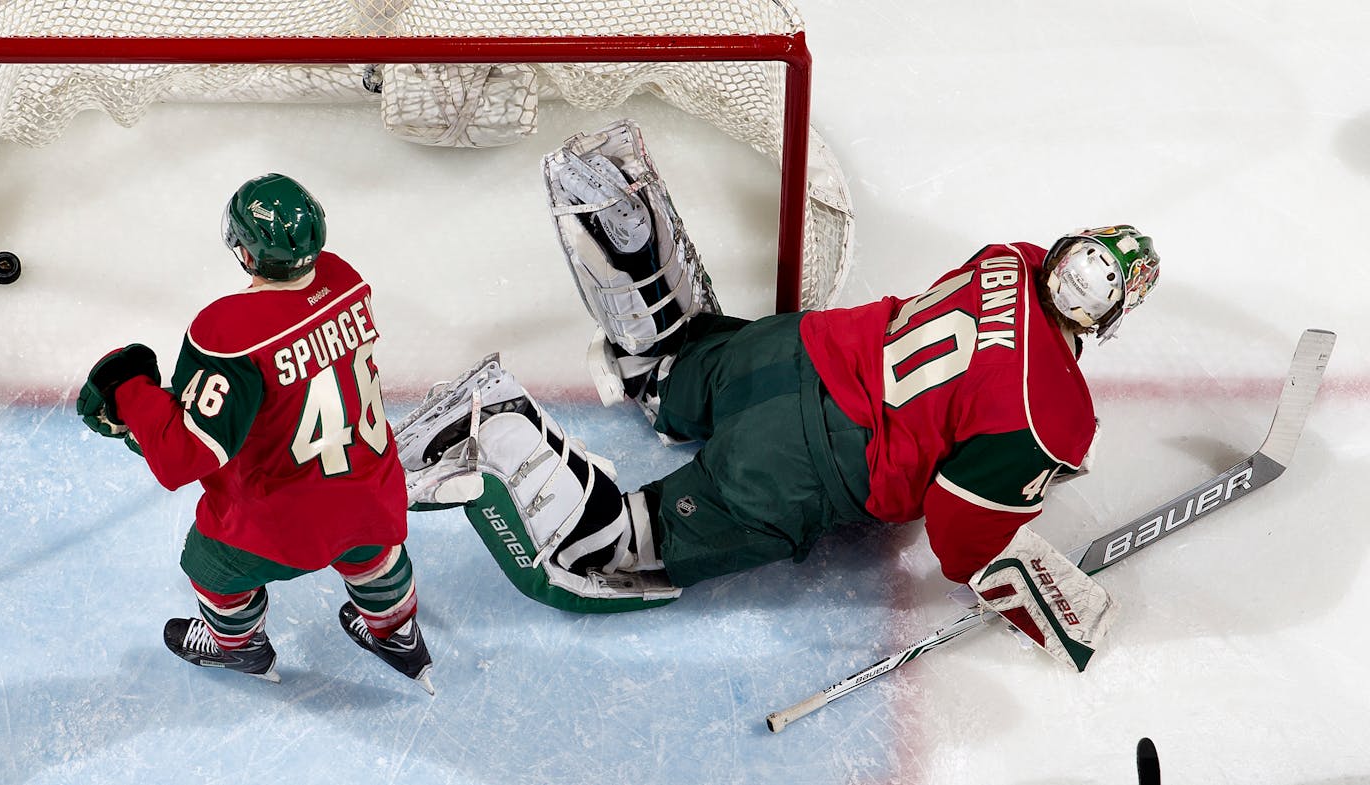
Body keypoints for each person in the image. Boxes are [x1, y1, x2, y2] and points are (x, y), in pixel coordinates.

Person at [396, 120, 1161, 671]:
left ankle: (618, 210)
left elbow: (982, 354)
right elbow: (963, 537)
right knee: (612, 552)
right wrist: (1054, 601)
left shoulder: (1008, 257)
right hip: (801, 464)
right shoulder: (1054, 416)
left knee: (668, 371)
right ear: (1113, 316)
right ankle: (493, 426)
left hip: (786, 351)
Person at [75, 173, 433, 691]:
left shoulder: (227, 331)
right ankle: (395, 633)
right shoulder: (346, 278)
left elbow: (182, 458)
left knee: (210, 566)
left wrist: (130, 394)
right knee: (374, 550)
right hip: (373, 490)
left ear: (244, 251)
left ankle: (237, 648)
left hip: (283, 522)